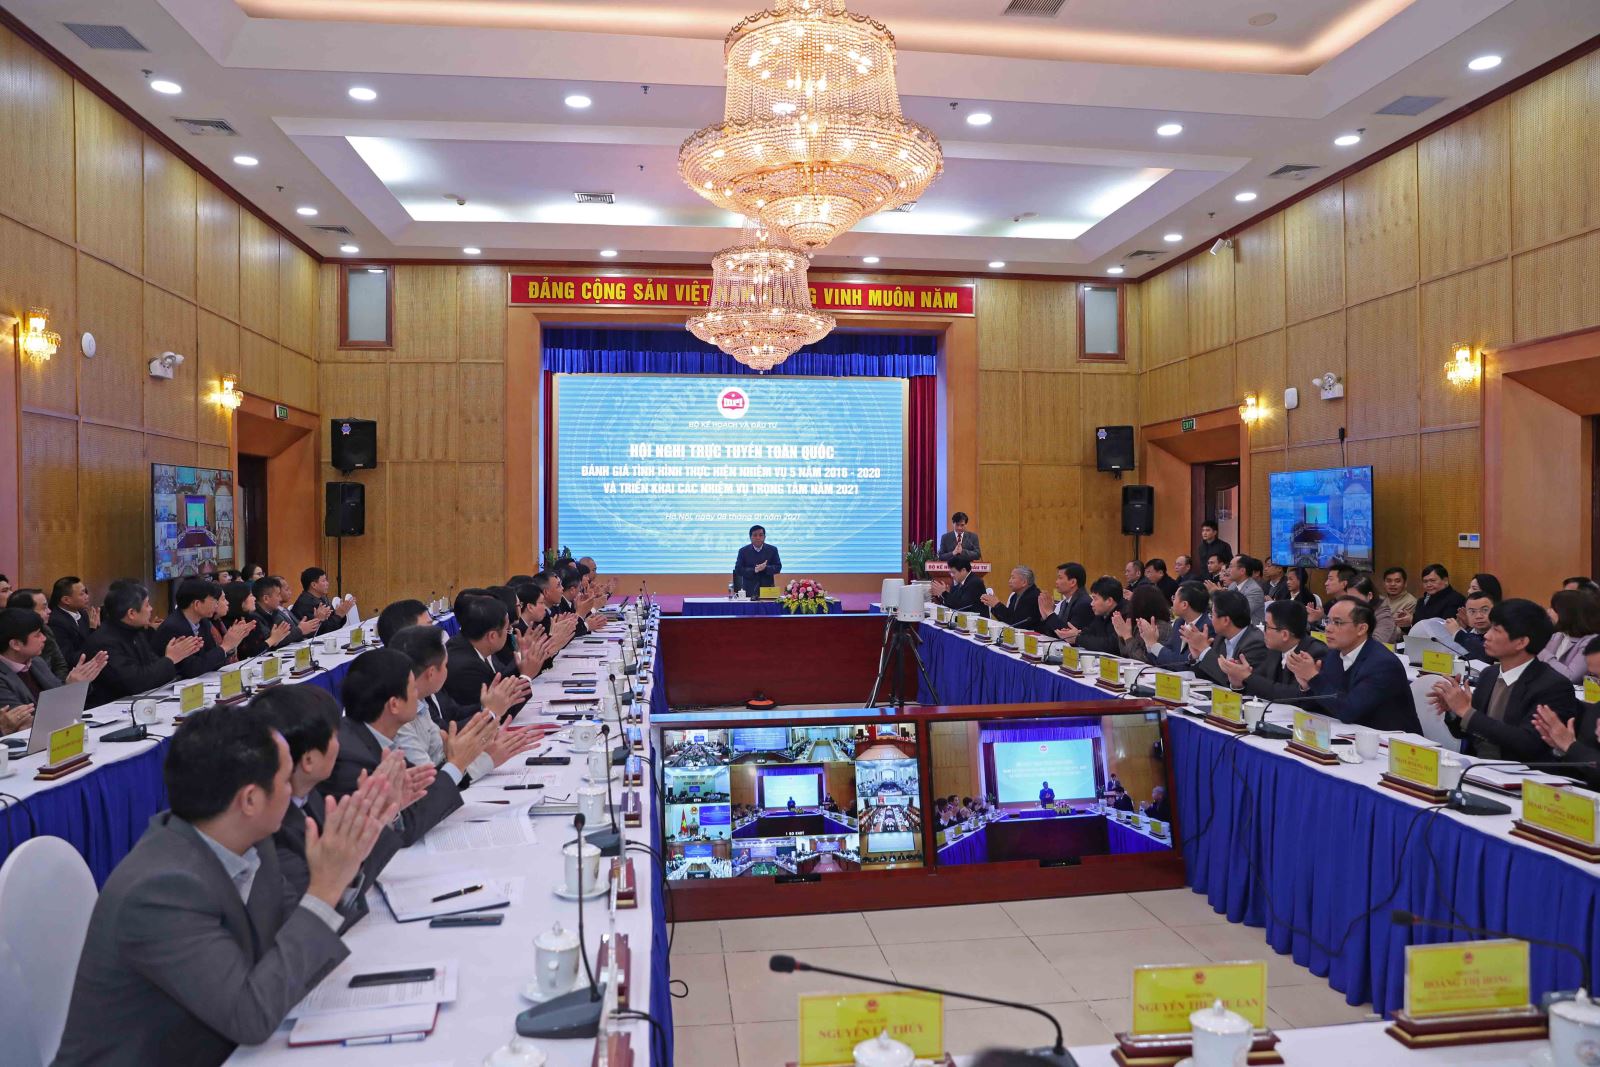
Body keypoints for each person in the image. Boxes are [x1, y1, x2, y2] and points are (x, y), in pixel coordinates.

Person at [51, 704, 396, 1067]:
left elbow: (296, 932)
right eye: (285, 780)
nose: (293, 789)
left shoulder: (250, 841)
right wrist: (325, 888)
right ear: (250, 800)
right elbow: (250, 1015)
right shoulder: (160, 890)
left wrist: (341, 873)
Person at [250, 684, 406, 919]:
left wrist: (377, 818)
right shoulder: (271, 830)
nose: (340, 744)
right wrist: (370, 822)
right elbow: (320, 912)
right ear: (308, 760)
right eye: (334, 735)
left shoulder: (310, 795)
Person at [322, 648, 473, 845]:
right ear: (394, 704)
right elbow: (407, 827)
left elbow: (420, 795)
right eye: (413, 689)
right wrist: (457, 764)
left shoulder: (375, 738)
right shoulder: (353, 758)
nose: (418, 696)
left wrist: (458, 763)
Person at [1429, 598, 1580, 762]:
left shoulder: (1553, 686)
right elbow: (1467, 732)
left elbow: (1529, 743)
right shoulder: (1489, 674)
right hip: (1477, 766)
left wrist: (1466, 711)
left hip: (1520, 772)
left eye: (1496, 630)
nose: (1487, 636)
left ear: (1521, 642)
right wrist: (1454, 710)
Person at [390, 623, 537, 777]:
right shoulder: (401, 718)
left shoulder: (421, 703)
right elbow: (433, 780)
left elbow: (447, 750)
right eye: (445, 665)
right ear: (431, 673)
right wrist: (488, 753)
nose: (448, 669)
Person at [1287, 597, 1419, 731]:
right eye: (1328, 621)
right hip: (1350, 734)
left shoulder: (1383, 664)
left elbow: (1349, 711)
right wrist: (1307, 685)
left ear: (1361, 629)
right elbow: (1320, 706)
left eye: (1337, 622)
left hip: (1391, 740)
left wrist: (1313, 677)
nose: (1328, 629)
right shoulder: (1334, 655)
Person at [85, 582, 205, 706]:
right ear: (131, 613)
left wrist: (176, 653)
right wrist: (170, 658)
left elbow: (151, 667)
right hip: (112, 709)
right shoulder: (104, 642)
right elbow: (135, 682)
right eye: (147, 605)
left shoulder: (136, 632)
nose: (151, 609)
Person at [443, 595, 545, 716]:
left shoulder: (470, 645)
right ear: (492, 636)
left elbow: (501, 677)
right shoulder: (465, 666)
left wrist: (524, 659)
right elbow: (499, 713)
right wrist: (526, 676)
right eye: (507, 629)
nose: (509, 632)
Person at [1216, 599, 1327, 701]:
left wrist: (1247, 676)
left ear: (1284, 635)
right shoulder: (1275, 650)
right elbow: (1259, 686)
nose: (1263, 631)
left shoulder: (1315, 653)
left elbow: (1294, 695)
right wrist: (1238, 683)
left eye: (1267, 626)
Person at [0, 607, 106, 714]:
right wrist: (70, 688)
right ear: (15, 644)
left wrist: (78, 684)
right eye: (37, 635)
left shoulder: (36, 662)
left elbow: (59, 695)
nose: (44, 638)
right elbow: (26, 718)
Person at [1532, 638, 1600, 789]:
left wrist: (1570, 746)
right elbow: (1580, 771)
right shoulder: (1595, 711)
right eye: (1595, 677)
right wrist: (1562, 749)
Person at [153, 578, 254, 680]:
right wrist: (225, 646)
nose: (216, 604)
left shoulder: (203, 622)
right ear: (197, 604)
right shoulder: (173, 627)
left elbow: (212, 661)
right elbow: (191, 670)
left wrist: (232, 643)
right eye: (213, 600)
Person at [1182, 589, 1270, 686]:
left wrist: (1204, 650)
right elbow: (1208, 675)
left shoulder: (1255, 643)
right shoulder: (1220, 638)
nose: (1211, 619)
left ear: (1225, 620)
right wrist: (1198, 656)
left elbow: (1230, 680)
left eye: (1212, 615)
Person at [8, 587, 70, 681]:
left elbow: (60, 664)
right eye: (44, 608)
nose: (49, 611)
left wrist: (58, 685)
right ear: (25, 612)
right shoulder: (12, 639)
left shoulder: (45, 629)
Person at [1056, 576, 1128, 655]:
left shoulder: (1126, 614)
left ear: (1109, 601)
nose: (1091, 603)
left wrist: (1077, 639)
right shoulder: (1102, 613)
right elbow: (1090, 632)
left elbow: (1111, 646)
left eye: (1095, 599)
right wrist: (1076, 634)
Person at [1541, 588, 1600, 682]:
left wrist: (1540, 651)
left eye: (1552, 608)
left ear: (1566, 613)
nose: (1548, 611)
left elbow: (1571, 677)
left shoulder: (1591, 642)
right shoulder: (1558, 636)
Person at [223, 582, 290, 661]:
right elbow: (250, 654)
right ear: (241, 599)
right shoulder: (230, 623)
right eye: (251, 595)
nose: (254, 598)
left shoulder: (250, 618)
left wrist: (275, 640)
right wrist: (272, 640)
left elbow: (262, 646)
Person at [1113, 585, 1174, 665]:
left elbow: (1145, 660)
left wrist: (1127, 636)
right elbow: (1125, 653)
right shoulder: (1138, 623)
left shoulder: (1161, 627)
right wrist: (1122, 635)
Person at [47, 575, 98, 667]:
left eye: (86, 592)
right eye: (82, 594)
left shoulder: (83, 613)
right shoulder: (56, 622)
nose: (87, 597)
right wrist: (93, 630)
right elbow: (68, 657)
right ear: (66, 600)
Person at [1034, 562, 1093, 637]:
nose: (1056, 582)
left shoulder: (1084, 603)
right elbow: (1052, 633)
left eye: (1060, 578)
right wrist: (1045, 616)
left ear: (1073, 582)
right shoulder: (1064, 603)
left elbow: (1067, 634)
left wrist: (1049, 613)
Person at [292, 567, 354, 636]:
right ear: (314, 585)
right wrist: (338, 615)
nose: (327, 583)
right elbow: (322, 632)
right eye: (324, 581)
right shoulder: (305, 604)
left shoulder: (323, 598)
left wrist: (341, 613)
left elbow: (335, 625)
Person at [732, 525, 783, 598]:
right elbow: (738, 569)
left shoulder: (772, 550)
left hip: (768, 590)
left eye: (761, 535)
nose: (758, 538)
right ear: (750, 537)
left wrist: (765, 568)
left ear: (765, 537)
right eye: (755, 535)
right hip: (749, 591)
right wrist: (755, 570)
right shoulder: (743, 551)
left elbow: (778, 567)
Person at [1347, 574, 1398, 646]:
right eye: (1349, 598)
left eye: (1356, 599)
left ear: (1369, 596)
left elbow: (1376, 643)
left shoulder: (1384, 616)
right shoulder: (1350, 611)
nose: (1352, 603)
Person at [1228, 554, 1266, 626]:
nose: (1228, 570)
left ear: (1242, 571)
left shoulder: (1255, 590)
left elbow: (1241, 613)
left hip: (1251, 629)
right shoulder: (1232, 585)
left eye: (1231, 566)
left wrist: (1220, 596)